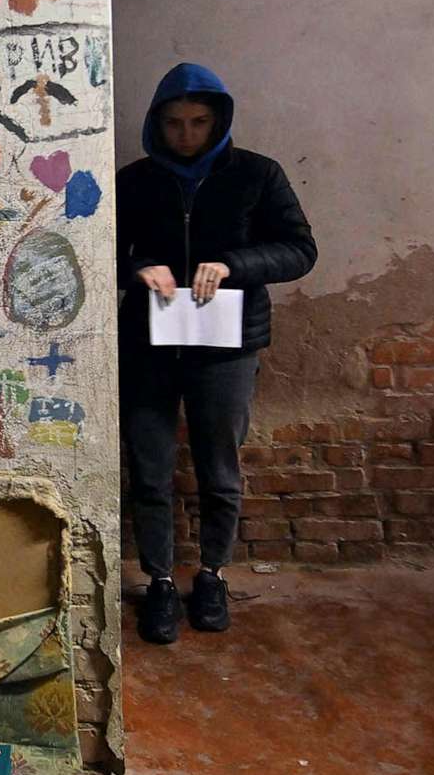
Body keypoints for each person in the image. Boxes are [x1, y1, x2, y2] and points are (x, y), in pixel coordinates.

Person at [119, 63, 317, 645]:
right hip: (150, 344)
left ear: (219, 120)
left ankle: (212, 575)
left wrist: (235, 264)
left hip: (226, 345)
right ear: (157, 122)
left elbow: (300, 250)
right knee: (150, 465)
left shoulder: (257, 175)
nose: (187, 134)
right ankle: (157, 580)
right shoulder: (134, 180)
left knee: (219, 467)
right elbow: (96, 248)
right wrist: (136, 268)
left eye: (199, 122)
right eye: (175, 123)